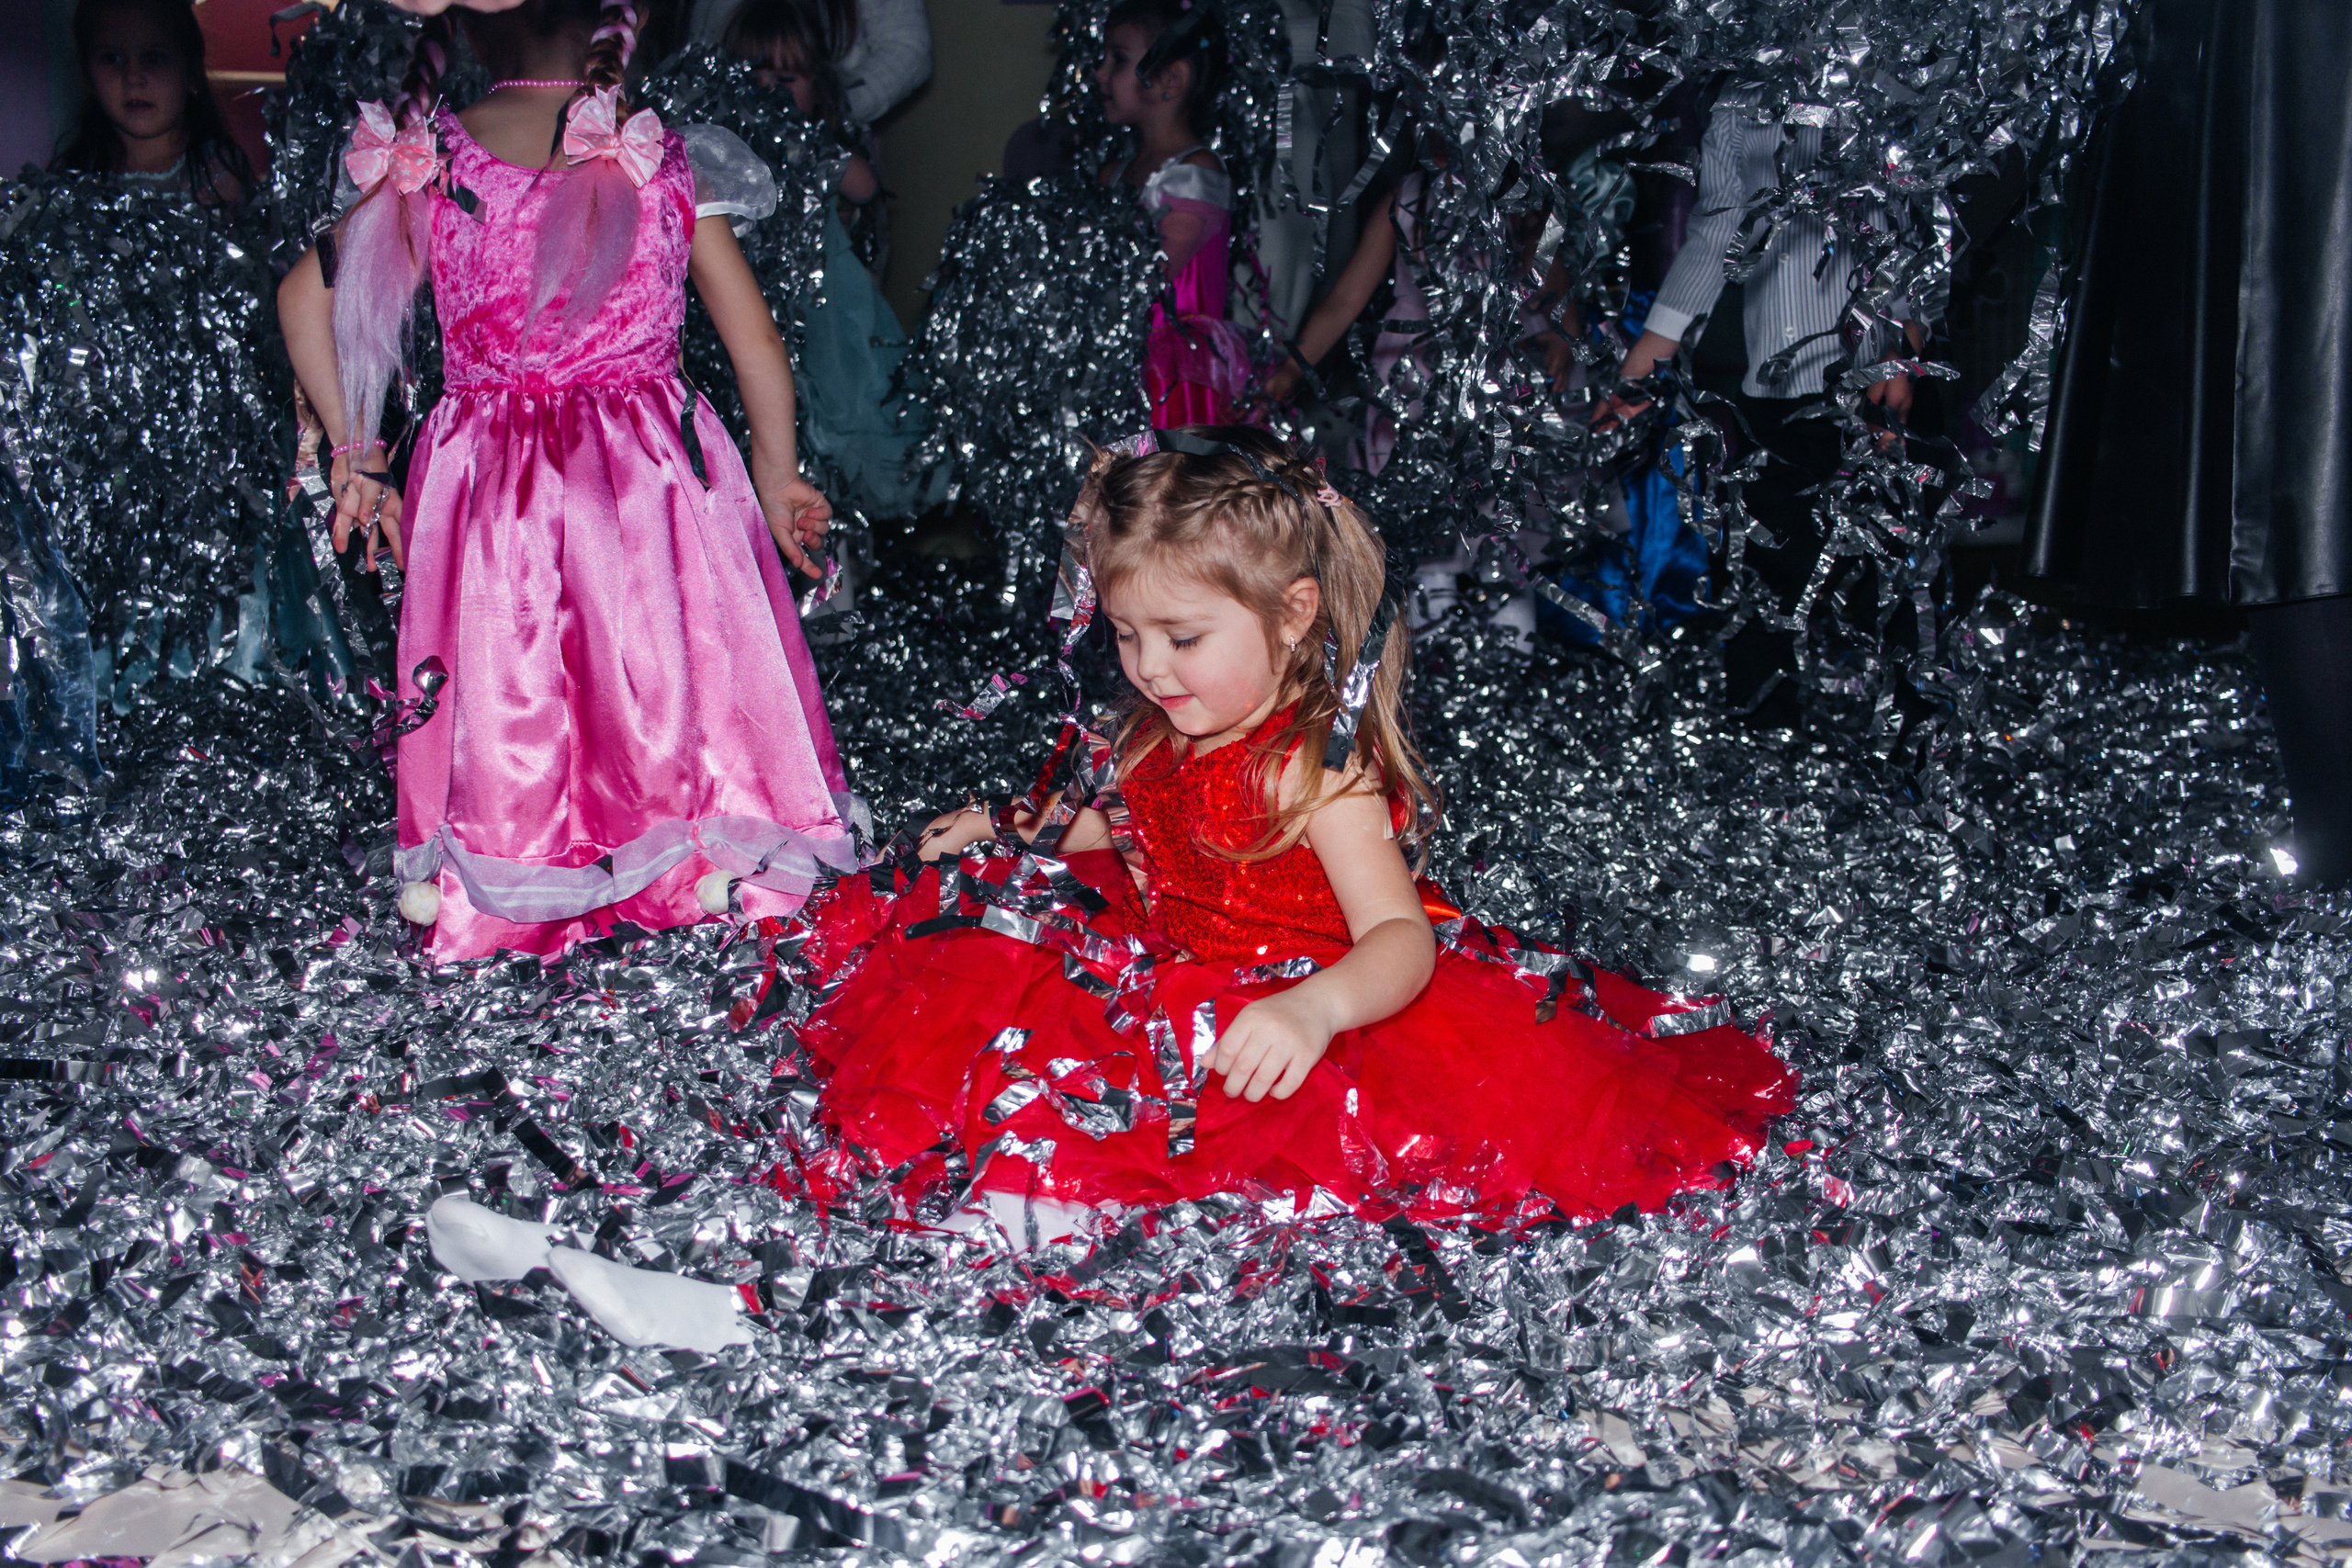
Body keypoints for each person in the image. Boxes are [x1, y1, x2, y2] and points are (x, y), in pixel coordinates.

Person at [778, 426, 1795, 1229]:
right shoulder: (1155, 730)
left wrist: (1314, 1012)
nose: (1151, 668)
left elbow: (1401, 941)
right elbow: (1128, 831)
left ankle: (1069, 1202)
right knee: (991, 998)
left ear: (1294, 613)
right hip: (1151, 962)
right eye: (1127, 636)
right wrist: (1016, 831)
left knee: (1232, 1129)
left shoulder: (1315, 770)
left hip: (1304, 995)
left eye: (1182, 638)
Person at [277, 0, 860, 961]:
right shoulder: (657, 152)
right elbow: (756, 346)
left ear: (464, 23)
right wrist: (778, 474)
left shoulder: (435, 165)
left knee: (520, 681)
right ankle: (687, 860)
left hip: (493, 484)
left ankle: (516, 873)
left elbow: (306, 299)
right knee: (663, 669)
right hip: (652, 478)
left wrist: (357, 453)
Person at [2027, 0, 2352, 887]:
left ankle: (2337, 870)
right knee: (2287, 473)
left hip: (2257, 84)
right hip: (2259, 81)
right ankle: (2337, 867)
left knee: (2288, 468)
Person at [1598, 85, 1920, 728]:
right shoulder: (1741, 96)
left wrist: (1904, 338)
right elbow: (1720, 222)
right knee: (1762, 564)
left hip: (1864, 365)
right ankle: (1764, 742)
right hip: (1774, 372)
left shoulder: (1872, 63)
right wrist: (1648, 354)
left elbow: (1903, 203)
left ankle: (1908, 743)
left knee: (1881, 567)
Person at [720, 0, 935, 520]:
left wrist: (808, 147)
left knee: (832, 448)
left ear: (818, 86)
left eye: (786, 76)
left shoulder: (813, 146)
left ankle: (838, 568)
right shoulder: (723, 155)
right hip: (747, 326)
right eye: (755, 73)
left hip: (827, 330)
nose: (769, 88)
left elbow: (863, 185)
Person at [1096, 0, 1252, 429]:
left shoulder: (1197, 174)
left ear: (1170, 79)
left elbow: (1146, 275)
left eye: (1119, 59)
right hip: (1114, 360)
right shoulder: (1112, 173)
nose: (1100, 73)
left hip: (1175, 378)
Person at [51, 0, 251, 208]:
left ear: (191, 71)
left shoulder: (219, 170)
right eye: (112, 58)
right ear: (88, 76)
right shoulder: (71, 177)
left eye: (153, 58)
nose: (133, 76)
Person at [688, 0, 930, 125]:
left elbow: (908, 48)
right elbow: (705, 54)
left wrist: (830, 114)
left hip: (835, 136)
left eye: (784, 79)